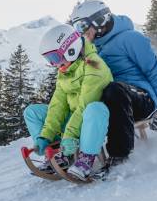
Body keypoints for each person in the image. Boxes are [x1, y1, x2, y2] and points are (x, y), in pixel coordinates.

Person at [69, 0, 157, 163]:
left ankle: (119, 154)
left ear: (99, 20)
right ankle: (68, 153)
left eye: (82, 26)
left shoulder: (130, 39)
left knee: (113, 89)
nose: (81, 32)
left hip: (141, 99)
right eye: (77, 28)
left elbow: (154, 70)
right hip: (114, 102)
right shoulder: (91, 49)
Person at [22, 24, 113, 180]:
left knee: (94, 108)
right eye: (50, 60)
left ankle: (86, 159)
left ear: (71, 48)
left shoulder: (94, 65)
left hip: (92, 122)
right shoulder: (65, 70)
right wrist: (45, 136)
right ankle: (59, 153)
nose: (54, 64)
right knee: (32, 112)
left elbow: (85, 106)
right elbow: (57, 106)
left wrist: (69, 135)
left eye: (55, 58)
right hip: (74, 120)